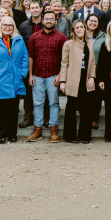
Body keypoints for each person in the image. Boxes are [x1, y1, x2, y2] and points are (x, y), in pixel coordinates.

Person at [26, 10, 68, 143]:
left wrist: (60, 76)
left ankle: (53, 129)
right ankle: (37, 129)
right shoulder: (34, 36)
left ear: (56, 21)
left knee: (54, 103)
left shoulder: (62, 38)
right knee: (37, 103)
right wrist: (30, 75)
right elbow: (30, 56)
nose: (49, 21)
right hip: (37, 75)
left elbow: (65, 59)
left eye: (52, 19)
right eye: (47, 19)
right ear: (42, 20)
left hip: (53, 76)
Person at [0, 16, 28, 143]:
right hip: (0, 80)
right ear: (1, 26)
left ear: (13, 27)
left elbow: (25, 57)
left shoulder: (19, 40)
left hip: (16, 79)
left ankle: (12, 133)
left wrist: (22, 73)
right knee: (2, 110)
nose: (7, 27)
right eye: (5, 25)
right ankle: (1, 134)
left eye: (10, 25)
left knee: (13, 109)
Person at [59, 19, 97, 144]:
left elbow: (92, 62)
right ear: (73, 30)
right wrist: (63, 81)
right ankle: (70, 136)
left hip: (86, 79)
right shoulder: (68, 44)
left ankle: (85, 135)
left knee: (86, 108)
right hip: (73, 79)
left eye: (81, 27)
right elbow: (64, 63)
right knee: (71, 107)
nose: (80, 29)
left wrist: (92, 77)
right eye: (77, 28)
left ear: (85, 28)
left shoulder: (90, 42)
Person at [18, 1, 45, 128]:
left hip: (44, 61)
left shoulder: (46, 24)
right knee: (28, 91)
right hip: (27, 61)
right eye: (32, 8)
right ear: (29, 9)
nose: (35, 10)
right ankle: (28, 117)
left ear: (41, 9)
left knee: (44, 91)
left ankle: (45, 117)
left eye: (37, 8)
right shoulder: (23, 26)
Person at [86, 14, 106, 130]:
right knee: (86, 96)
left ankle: (94, 119)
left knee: (96, 97)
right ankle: (86, 117)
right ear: (86, 21)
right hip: (84, 71)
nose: (93, 23)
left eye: (95, 21)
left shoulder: (103, 36)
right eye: (91, 21)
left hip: (99, 71)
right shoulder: (81, 34)